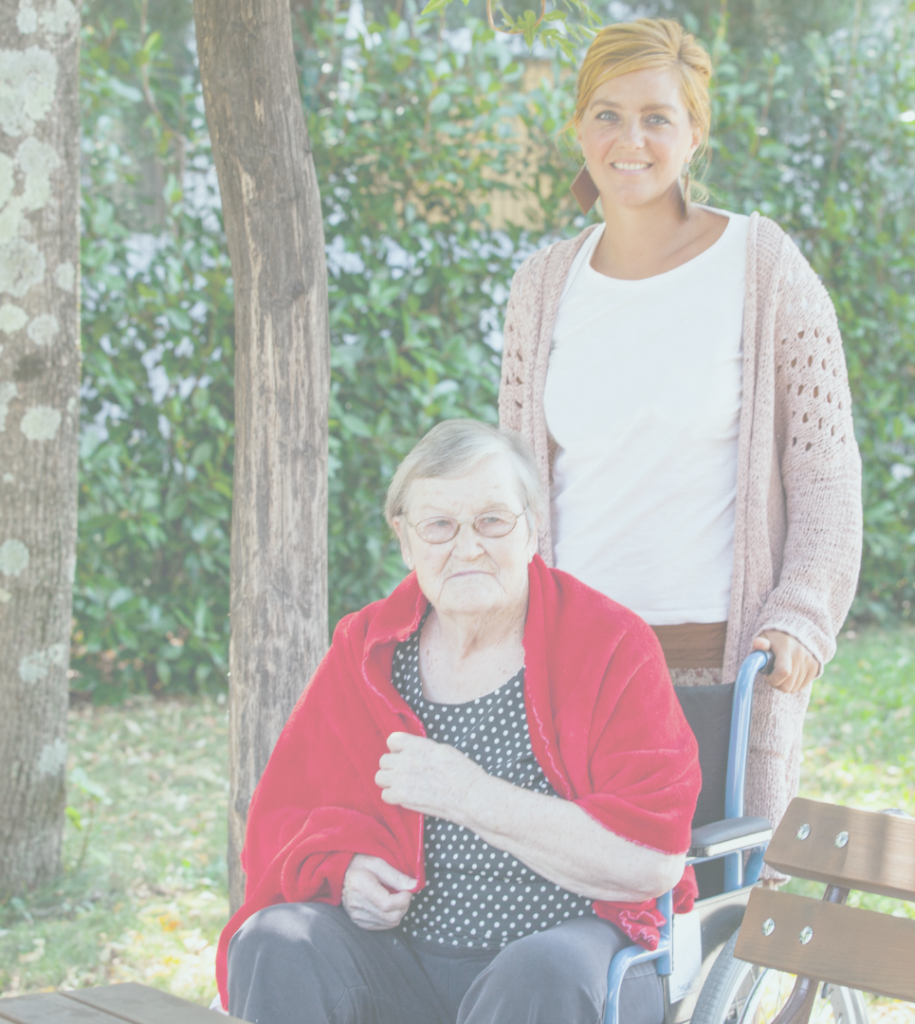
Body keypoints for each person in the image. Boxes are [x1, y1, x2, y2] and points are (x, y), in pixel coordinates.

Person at [499, 18, 862, 843]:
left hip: (720, 676)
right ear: (577, 127)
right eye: (607, 113)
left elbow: (827, 474)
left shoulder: (764, 269)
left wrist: (803, 613)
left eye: (657, 117)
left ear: (695, 132)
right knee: (581, 930)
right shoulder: (541, 288)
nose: (631, 139)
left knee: (718, 920)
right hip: (574, 672)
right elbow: (516, 488)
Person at [216, 419, 701, 1024]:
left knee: (538, 975)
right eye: (439, 525)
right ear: (405, 539)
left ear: (531, 529)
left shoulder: (609, 645)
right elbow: (282, 817)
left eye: (492, 520)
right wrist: (341, 873)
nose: (467, 546)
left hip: (565, 956)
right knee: (277, 940)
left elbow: (651, 860)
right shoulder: (367, 649)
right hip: (403, 960)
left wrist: (471, 796)